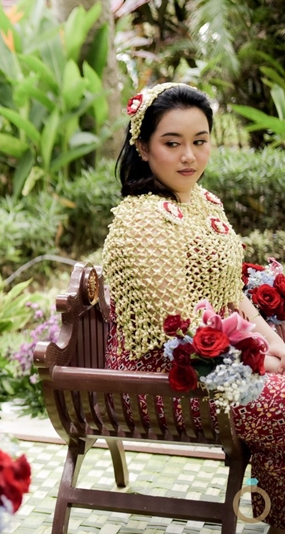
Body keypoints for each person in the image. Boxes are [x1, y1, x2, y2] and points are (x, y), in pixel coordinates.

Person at [103, 82, 285, 532]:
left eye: (200, 141)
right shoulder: (140, 219)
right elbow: (179, 325)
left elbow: (231, 291)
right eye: (172, 143)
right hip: (165, 375)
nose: (189, 156)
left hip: (220, 359)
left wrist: (271, 340)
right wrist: (262, 361)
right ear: (142, 147)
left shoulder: (204, 201)